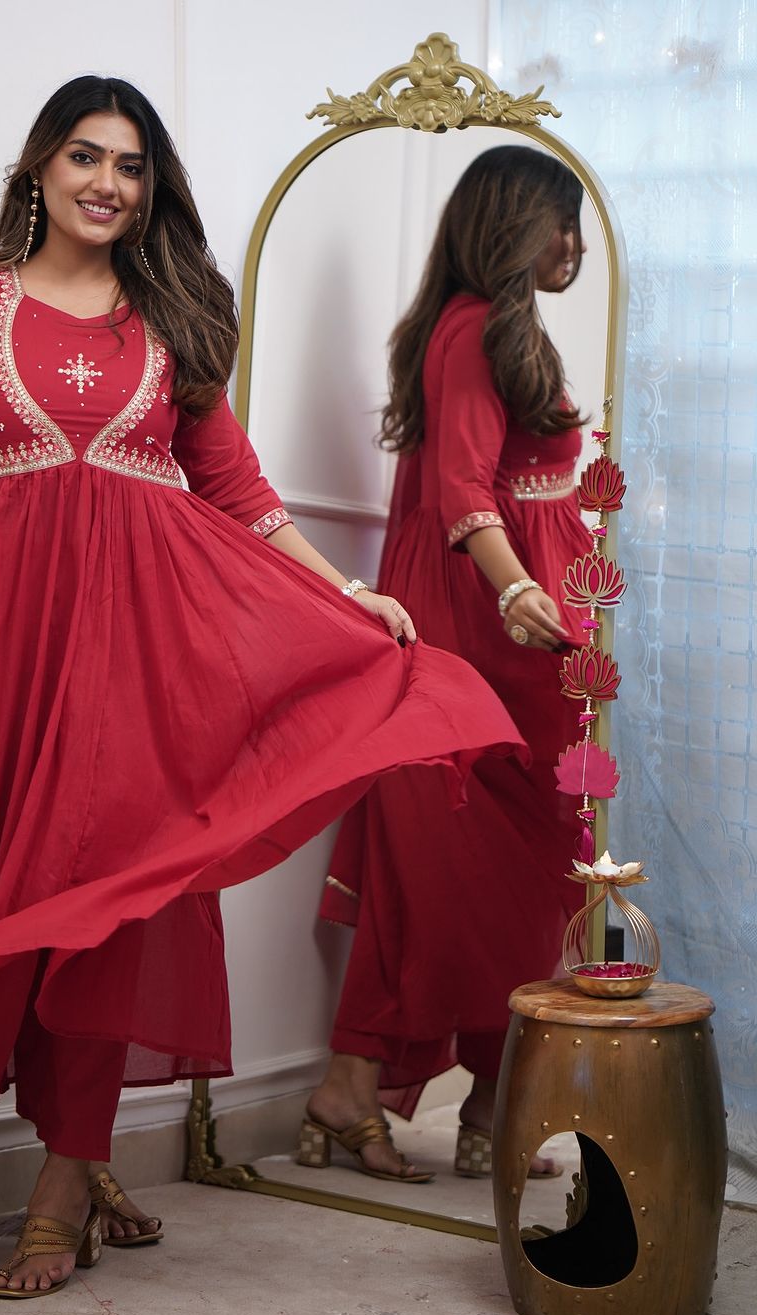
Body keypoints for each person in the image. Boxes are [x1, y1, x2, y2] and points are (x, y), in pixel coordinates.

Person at [0, 78, 521, 1299]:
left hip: (147, 662)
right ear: (38, 169)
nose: (106, 182)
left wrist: (345, 597)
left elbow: (238, 492)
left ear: (150, 188)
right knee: (25, 901)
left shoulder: (169, 319)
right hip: (9, 660)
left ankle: (58, 1183)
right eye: (84, 157)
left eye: (131, 165)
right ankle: (83, 1164)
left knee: (107, 902)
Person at [303, 145, 590, 1185]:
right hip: (483, 633)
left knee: (507, 876)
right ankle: (369, 1084)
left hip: (522, 642)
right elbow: (467, 493)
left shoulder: (498, 328)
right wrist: (521, 592)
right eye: (560, 224)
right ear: (514, 223)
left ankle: (484, 1104)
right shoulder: (472, 328)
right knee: (459, 872)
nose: (576, 248)